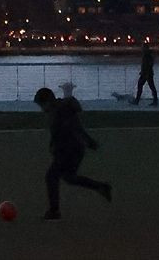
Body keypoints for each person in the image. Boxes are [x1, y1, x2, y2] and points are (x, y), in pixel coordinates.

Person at [33, 87, 111, 221]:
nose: (42, 110)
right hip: (72, 149)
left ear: (48, 101)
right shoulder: (58, 109)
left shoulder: (61, 110)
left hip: (69, 150)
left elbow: (74, 127)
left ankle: (54, 211)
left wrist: (89, 141)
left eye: (42, 105)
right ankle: (101, 186)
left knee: (51, 177)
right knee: (69, 177)